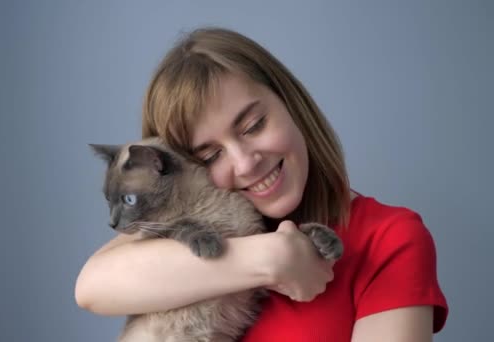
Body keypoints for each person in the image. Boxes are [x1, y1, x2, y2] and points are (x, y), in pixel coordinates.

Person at [75, 27, 448, 341]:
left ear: (290, 102)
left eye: (253, 126)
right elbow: (90, 286)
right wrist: (270, 259)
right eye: (209, 156)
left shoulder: (389, 239)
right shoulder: (178, 231)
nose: (244, 162)